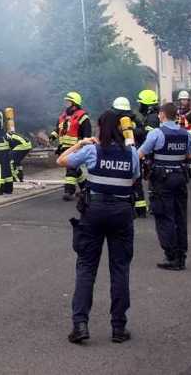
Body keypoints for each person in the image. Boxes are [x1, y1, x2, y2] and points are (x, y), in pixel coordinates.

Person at [58, 110, 139, 344]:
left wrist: (80, 143)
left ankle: (80, 325)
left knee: (86, 268)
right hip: (122, 213)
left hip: (94, 212)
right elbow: (134, 179)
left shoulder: (92, 150)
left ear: (102, 129)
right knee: (120, 269)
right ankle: (118, 328)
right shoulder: (131, 153)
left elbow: (62, 161)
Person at [138, 102, 191, 271]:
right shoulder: (186, 134)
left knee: (164, 216)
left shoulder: (156, 133)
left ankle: (171, 256)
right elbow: (189, 155)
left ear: (162, 114)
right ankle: (181, 255)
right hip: (180, 177)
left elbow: (140, 153)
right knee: (180, 216)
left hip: (162, 179)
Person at [50, 91, 92, 201]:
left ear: (74, 103)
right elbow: (58, 129)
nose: (66, 104)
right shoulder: (63, 116)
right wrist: (52, 136)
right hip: (64, 147)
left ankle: (69, 191)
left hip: (76, 147)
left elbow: (87, 133)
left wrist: (84, 145)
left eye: (68, 102)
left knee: (71, 168)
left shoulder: (83, 116)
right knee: (75, 169)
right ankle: (85, 189)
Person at [132, 89, 160, 218]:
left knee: (154, 182)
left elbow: (149, 137)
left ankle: (156, 207)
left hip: (153, 156)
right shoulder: (152, 116)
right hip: (154, 155)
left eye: (141, 103)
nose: (139, 106)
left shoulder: (152, 118)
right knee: (153, 182)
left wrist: (134, 130)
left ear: (147, 105)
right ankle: (153, 207)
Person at [176, 90, 191, 179]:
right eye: (182, 100)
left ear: (188, 100)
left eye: (185, 100)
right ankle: (187, 172)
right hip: (181, 134)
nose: (183, 101)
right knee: (183, 154)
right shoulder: (177, 111)